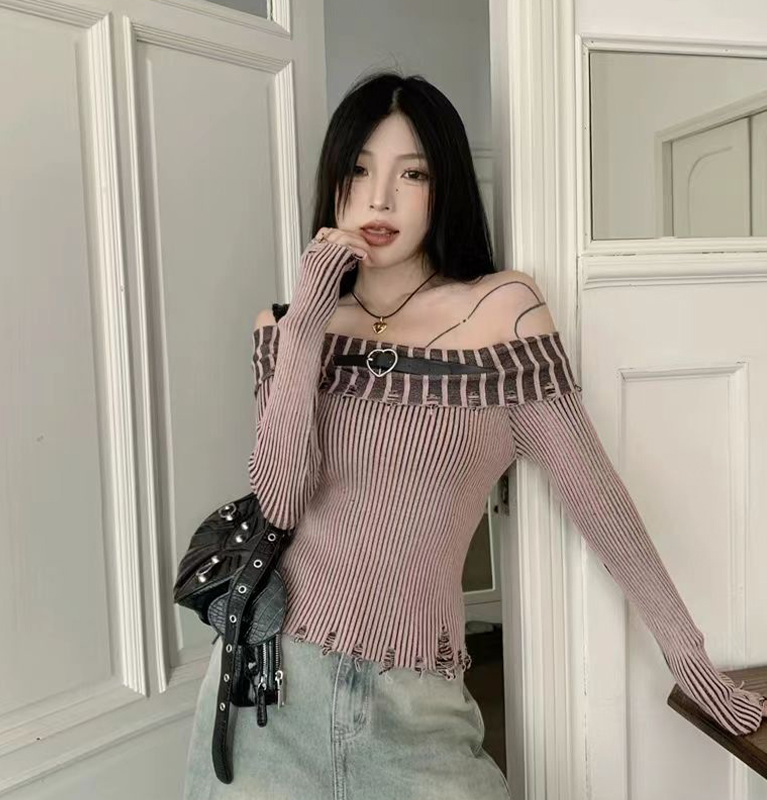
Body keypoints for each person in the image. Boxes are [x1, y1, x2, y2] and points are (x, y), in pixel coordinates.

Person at [183, 70, 766, 800]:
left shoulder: (502, 312)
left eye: (413, 173)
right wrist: (305, 322)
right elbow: (281, 497)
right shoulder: (287, 329)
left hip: (415, 705)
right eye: (358, 169)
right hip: (268, 690)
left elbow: (598, 501)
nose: (380, 199)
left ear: (446, 185)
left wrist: (689, 658)